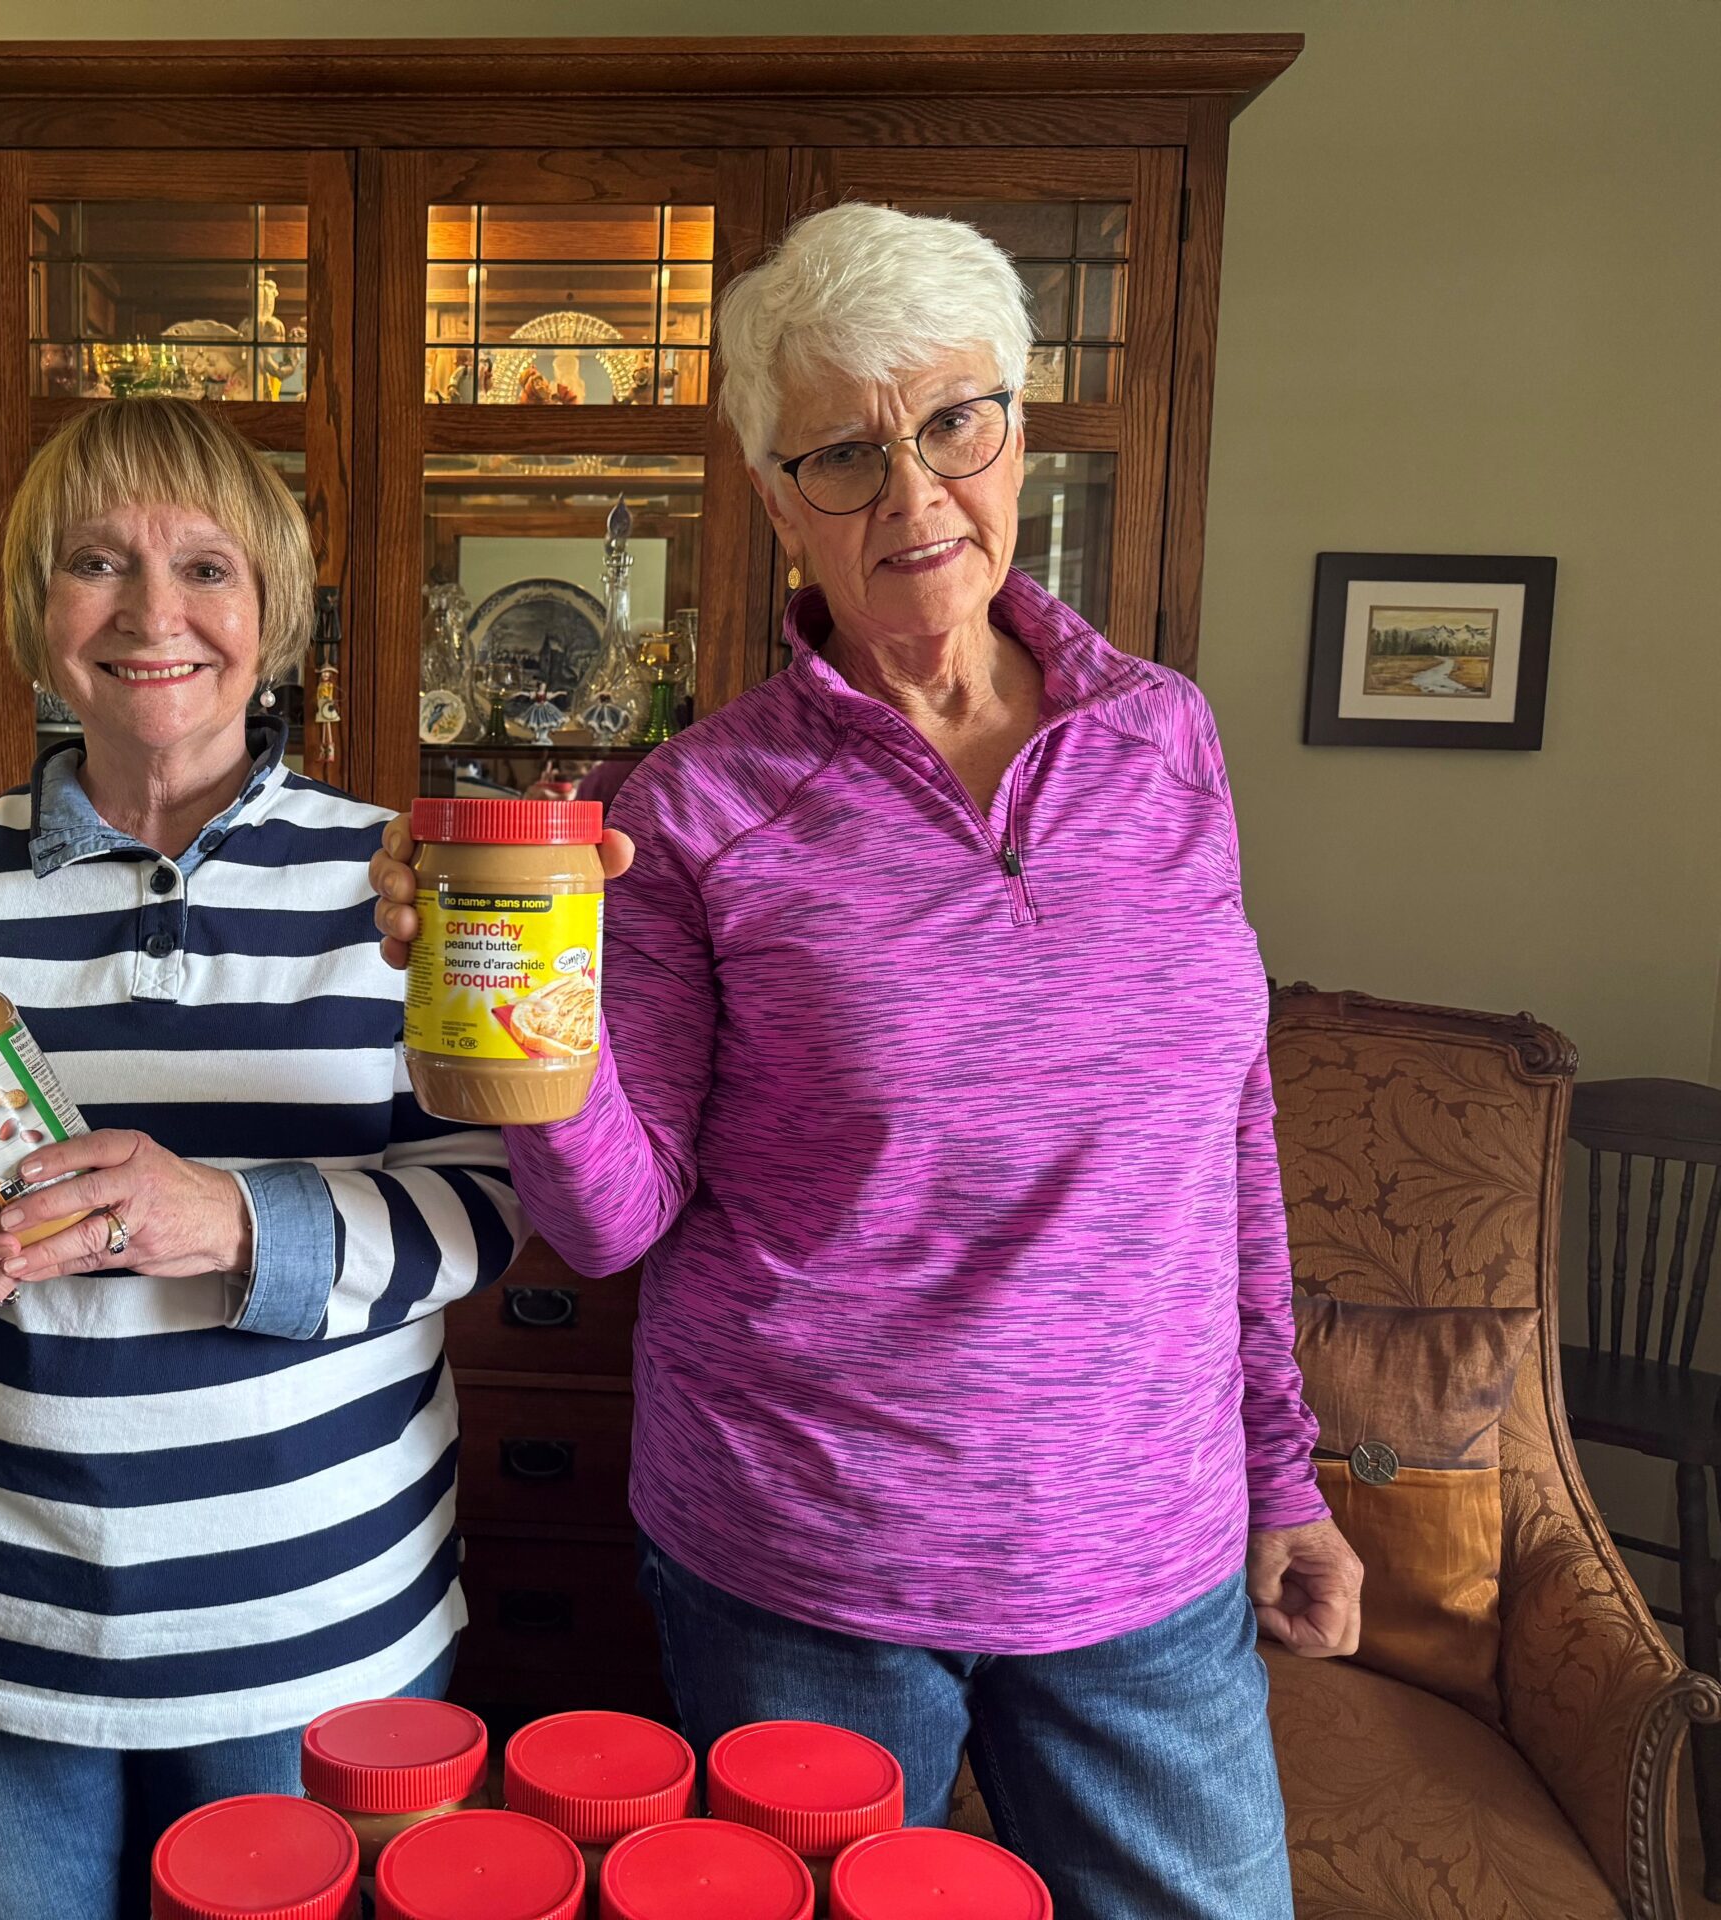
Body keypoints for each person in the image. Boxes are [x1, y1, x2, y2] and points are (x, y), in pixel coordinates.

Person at [371, 204, 1361, 1920]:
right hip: (806, 1563)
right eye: (841, 454)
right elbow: (613, 1228)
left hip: (1149, 1560)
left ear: (1020, 432)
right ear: (777, 503)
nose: (911, 497)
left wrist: (1287, 1472)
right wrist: (521, 1024)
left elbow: (1229, 1137)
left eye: (951, 422)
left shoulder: (1165, 743)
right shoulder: (691, 810)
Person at [0, 396, 525, 1920]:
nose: (153, 615)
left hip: (317, 1625)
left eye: (207, 570)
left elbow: (492, 1208)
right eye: (97, 564)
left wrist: (242, 1224)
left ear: (274, 615)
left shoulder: (398, 879)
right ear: (34, 612)